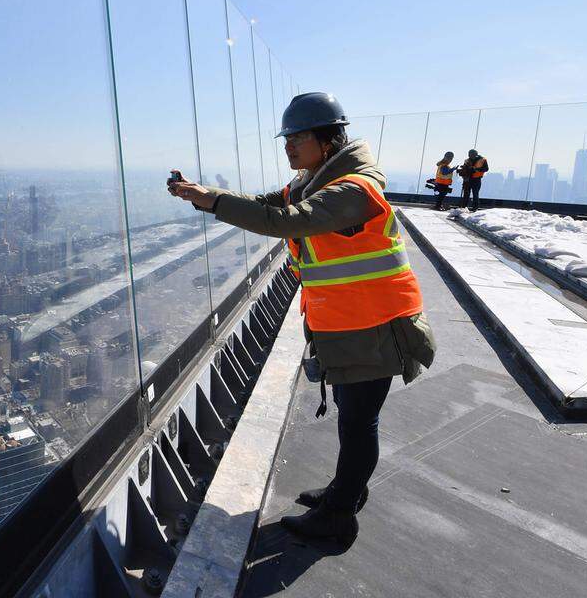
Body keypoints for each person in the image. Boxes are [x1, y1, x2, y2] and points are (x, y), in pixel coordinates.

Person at [169, 92, 435, 544]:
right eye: (286, 138)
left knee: (358, 422)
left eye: (298, 137)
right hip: (354, 323)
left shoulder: (352, 190)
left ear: (328, 140)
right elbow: (268, 204)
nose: (288, 146)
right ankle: (345, 491)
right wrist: (204, 195)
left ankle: (339, 517)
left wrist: (211, 202)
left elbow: (284, 221)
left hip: (378, 324)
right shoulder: (315, 181)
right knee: (353, 420)